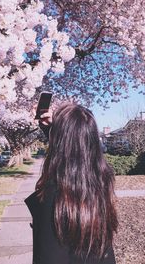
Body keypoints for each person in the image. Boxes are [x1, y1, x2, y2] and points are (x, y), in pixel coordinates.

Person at [25, 103, 118, 264]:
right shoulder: (101, 181)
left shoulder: (53, 197)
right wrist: (53, 130)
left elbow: (48, 258)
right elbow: (78, 148)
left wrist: (58, 131)